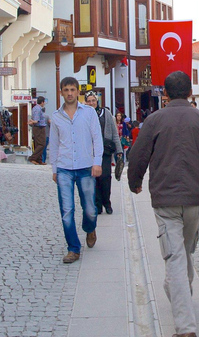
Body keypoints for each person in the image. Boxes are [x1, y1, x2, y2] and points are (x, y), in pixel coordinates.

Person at [128, 71, 199, 337]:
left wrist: (135, 181)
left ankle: (185, 327)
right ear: (189, 94)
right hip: (196, 199)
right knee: (182, 254)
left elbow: (138, 154)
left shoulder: (154, 120)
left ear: (165, 94)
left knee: (176, 258)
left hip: (165, 199)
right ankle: (181, 303)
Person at [49, 77, 103, 263]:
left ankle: (90, 228)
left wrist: (97, 162)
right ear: (61, 92)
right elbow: (54, 145)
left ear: (78, 91)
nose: (69, 93)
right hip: (64, 168)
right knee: (66, 210)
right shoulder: (56, 116)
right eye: (66, 90)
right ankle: (73, 248)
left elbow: (97, 138)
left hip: (86, 167)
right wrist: (54, 168)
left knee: (90, 209)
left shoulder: (89, 113)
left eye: (72, 89)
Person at [84, 92, 123, 215]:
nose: (91, 103)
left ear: (97, 101)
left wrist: (119, 150)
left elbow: (114, 133)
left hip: (105, 151)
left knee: (105, 177)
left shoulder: (106, 113)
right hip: (91, 152)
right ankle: (98, 204)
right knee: (94, 179)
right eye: (89, 101)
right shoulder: (84, 114)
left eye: (93, 100)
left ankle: (107, 202)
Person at [28, 96, 47, 165]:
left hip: (39, 127)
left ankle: (39, 160)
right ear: (42, 102)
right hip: (39, 128)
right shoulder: (38, 109)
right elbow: (36, 120)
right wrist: (32, 121)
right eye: (44, 102)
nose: (44, 103)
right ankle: (32, 158)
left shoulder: (36, 108)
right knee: (42, 144)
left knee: (38, 144)